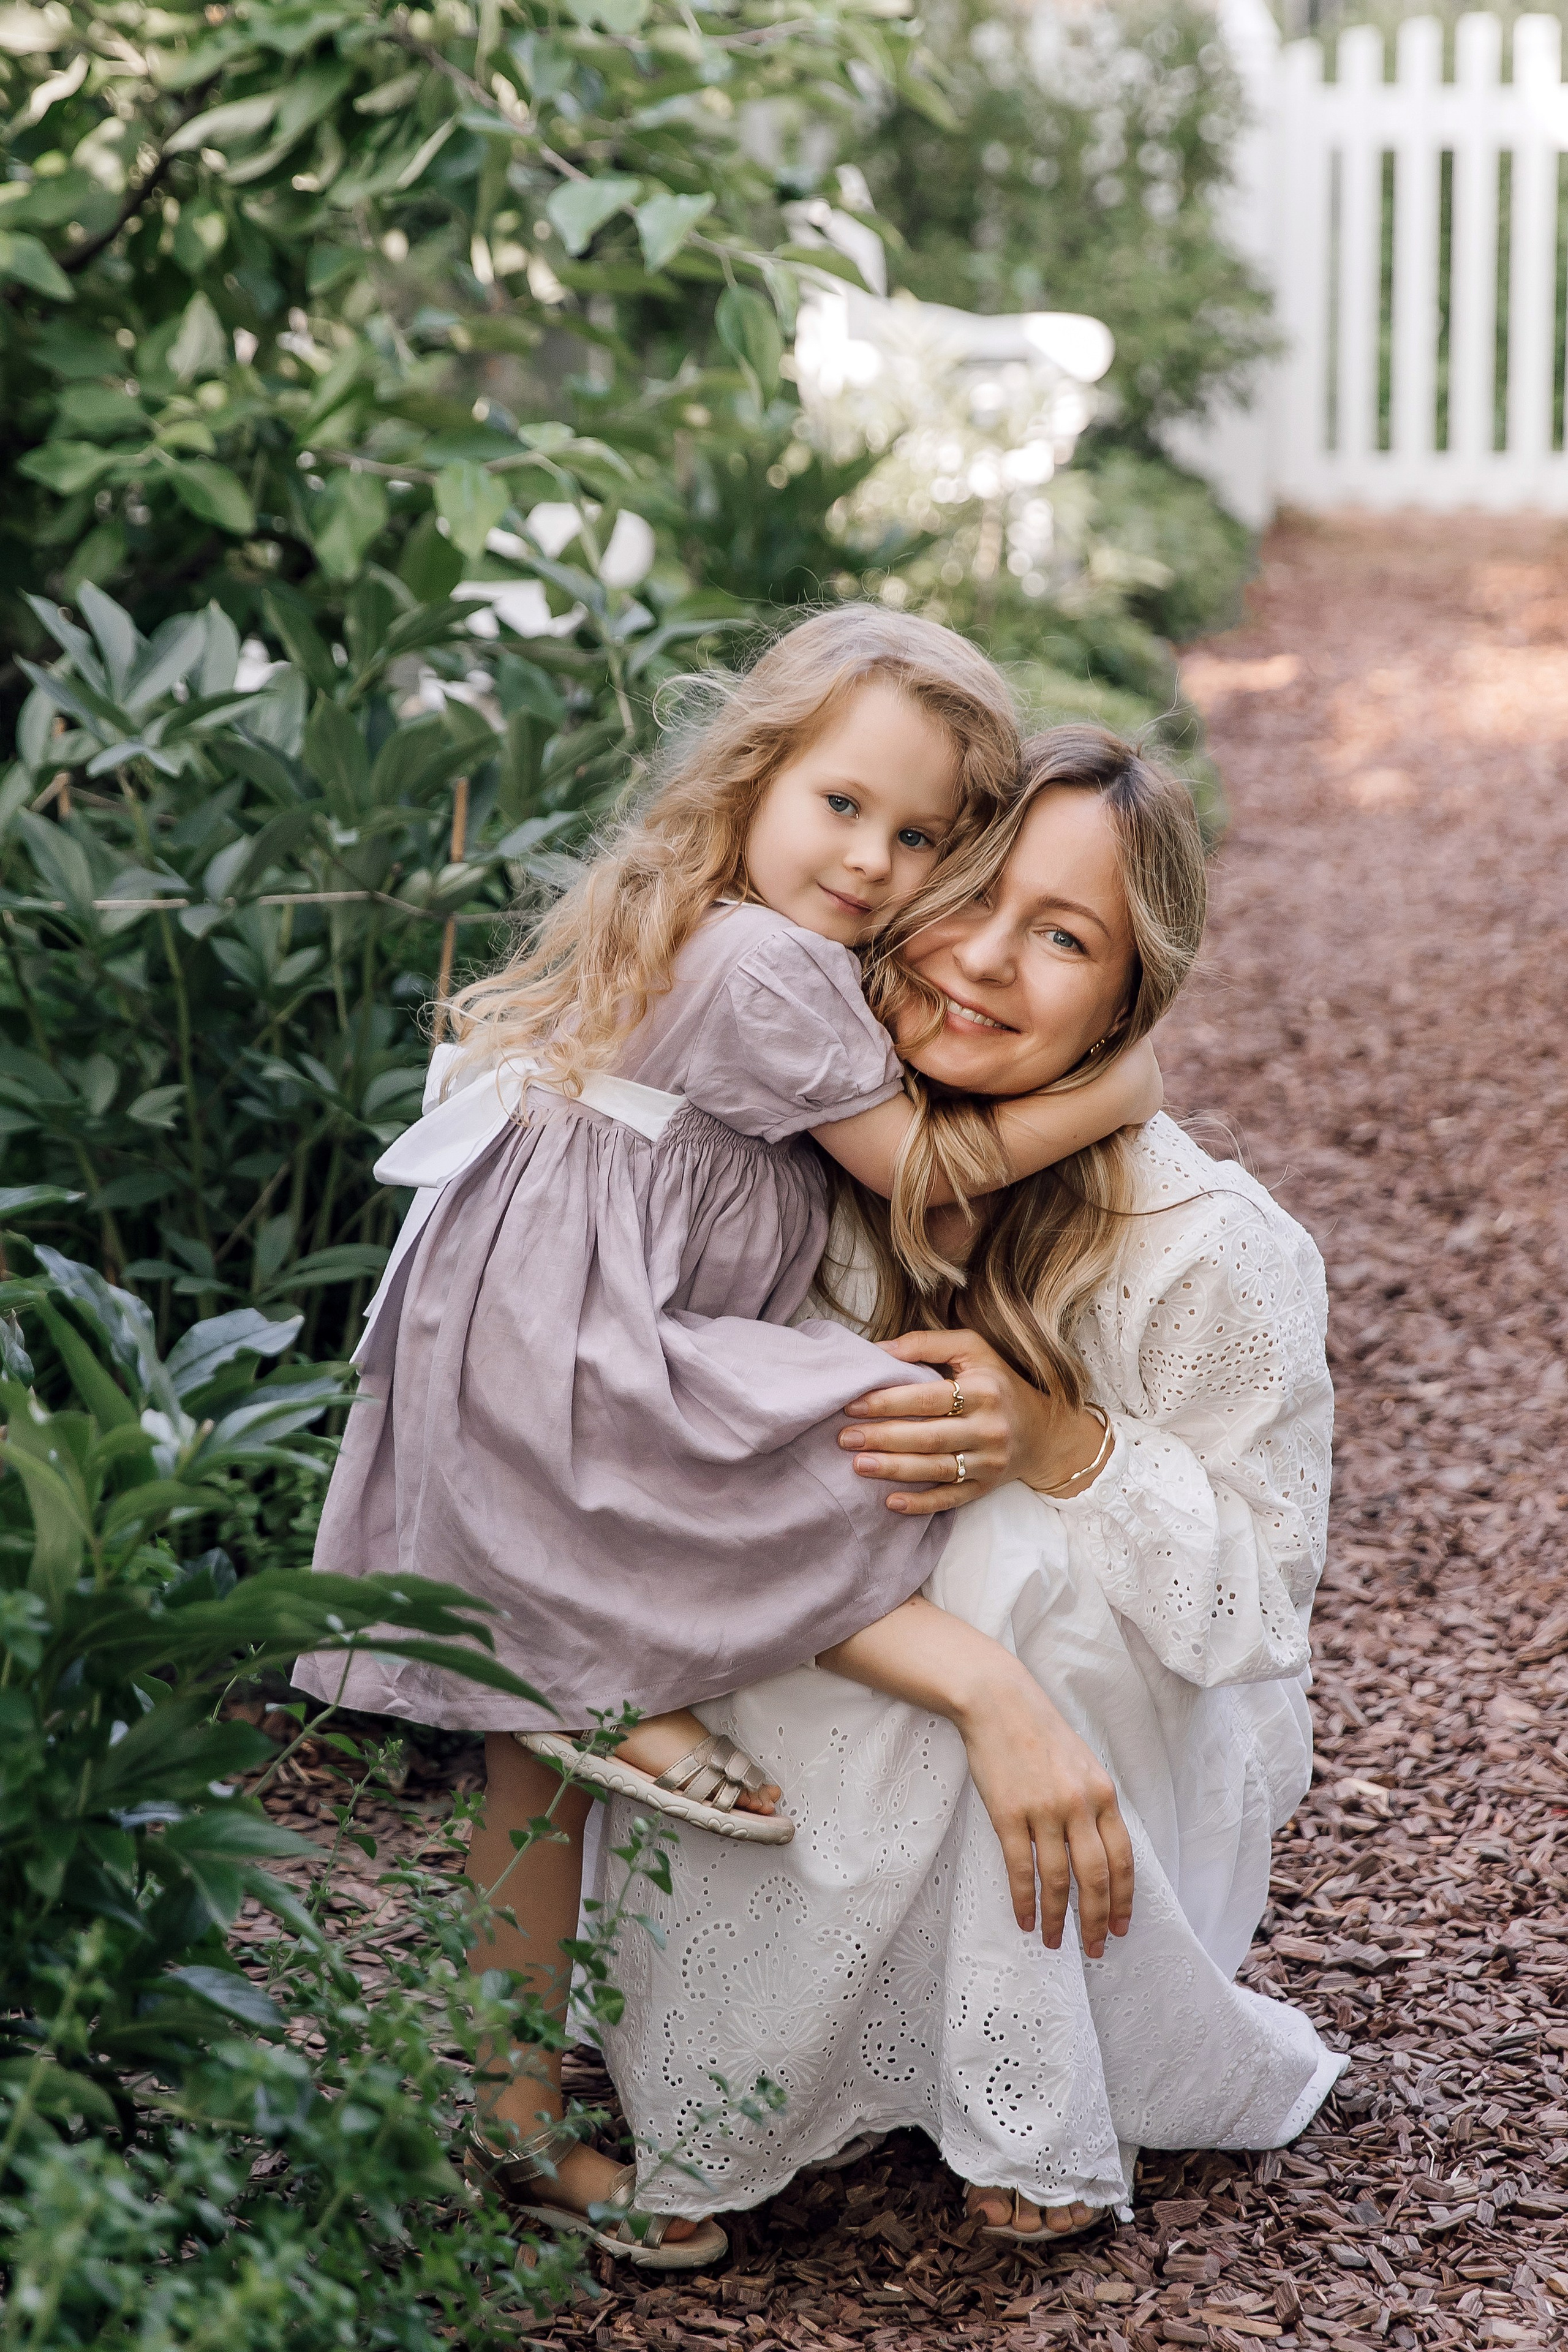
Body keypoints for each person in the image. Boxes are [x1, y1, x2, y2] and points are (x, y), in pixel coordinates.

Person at [292, 620, 1156, 2266]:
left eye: (919, 838)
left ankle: (511, 2114)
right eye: (842, 805)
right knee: (875, 1426)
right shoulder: (765, 963)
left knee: (527, 1775)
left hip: (535, 1336)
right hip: (585, 1351)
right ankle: (650, 1685)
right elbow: (919, 1171)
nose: (871, 860)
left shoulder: (732, 928)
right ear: (754, 777)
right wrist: (1114, 1093)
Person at [589, 726, 1341, 2251]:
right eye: (972, 897)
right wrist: (986, 1696)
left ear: (1127, 1003)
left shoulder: (1204, 1243)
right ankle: (761, 2056)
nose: (985, 963)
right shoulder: (782, 1166)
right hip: (847, 1670)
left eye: (1062, 938)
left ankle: (1025, 2066)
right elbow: (654, 1486)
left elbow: (1260, 1609)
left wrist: (1061, 1445)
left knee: (1006, 1542)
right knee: (877, 1506)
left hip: (1109, 1730)